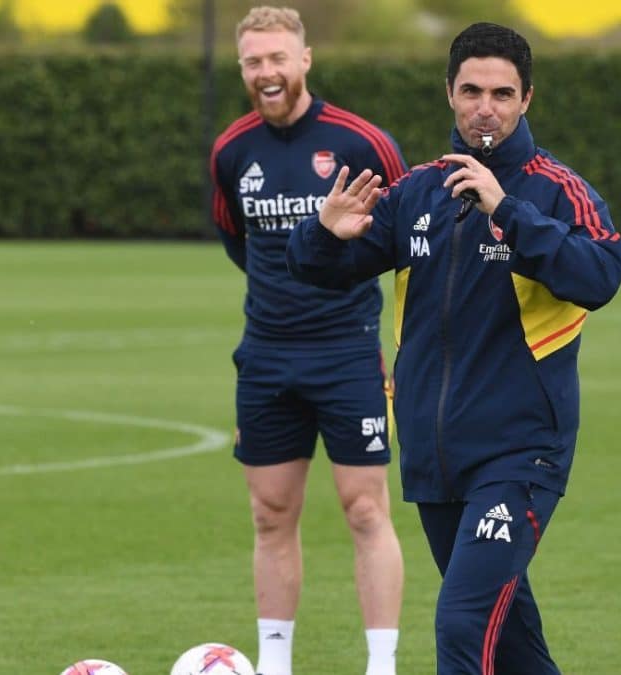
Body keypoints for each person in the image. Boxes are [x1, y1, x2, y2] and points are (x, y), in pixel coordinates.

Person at [286, 21, 621, 675]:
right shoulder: (416, 193)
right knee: (515, 647)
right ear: (450, 93)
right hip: (437, 459)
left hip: (520, 456)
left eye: (502, 94)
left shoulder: (555, 190)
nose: (485, 108)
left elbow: (602, 274)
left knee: (463, 622)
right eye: (472, 90)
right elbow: (321, 269)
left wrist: (508, 210)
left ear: (526, 98)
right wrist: (323, 234)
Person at [209, 7, 408, 675]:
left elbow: (398, 233)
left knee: (363, 508)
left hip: (347, 351)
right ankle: (274, 664)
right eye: (253, 62)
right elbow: (241, 241)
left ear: (305, 59)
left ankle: (381, 666)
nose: (266, 73)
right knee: (270, 513)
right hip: (264, 355)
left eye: (277, 58)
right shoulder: (231, 151)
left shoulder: (361, 144)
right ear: (243, 69)